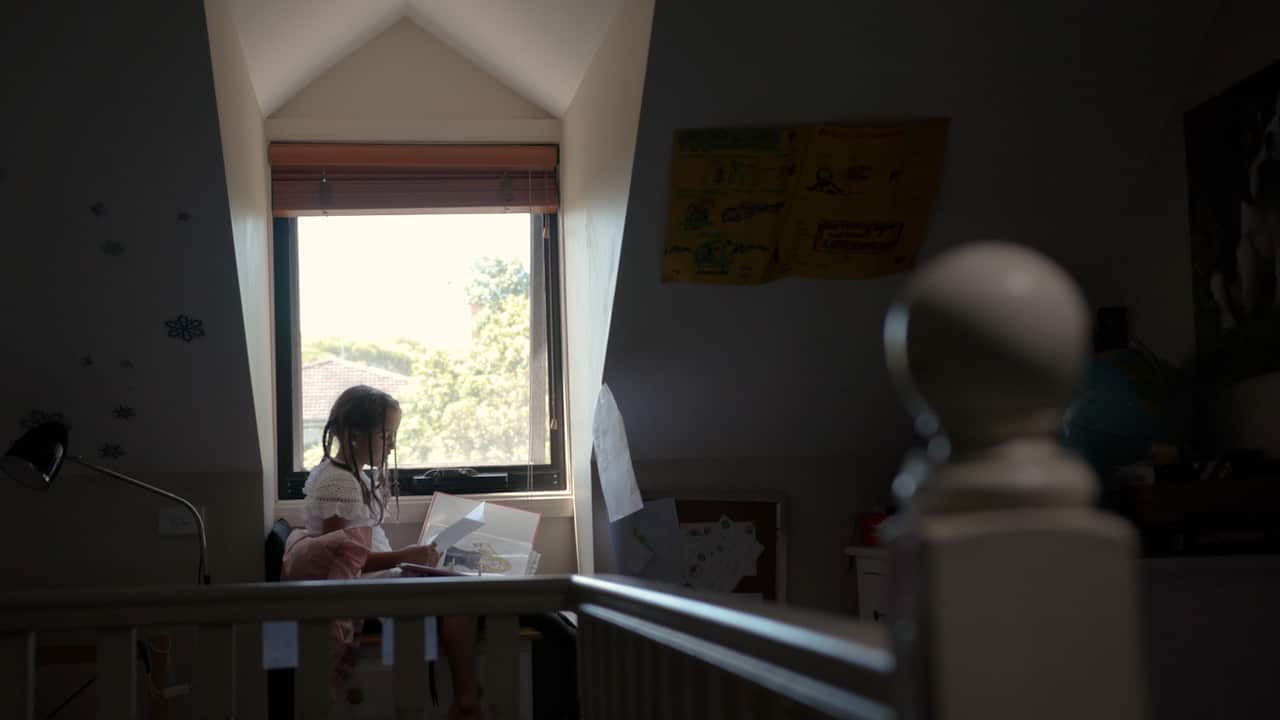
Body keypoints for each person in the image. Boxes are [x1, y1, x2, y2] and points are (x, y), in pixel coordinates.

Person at [304, 385, 481, 719]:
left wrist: (408, 557)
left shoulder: (348, 477)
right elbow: (342, 562)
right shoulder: (338, 483)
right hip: (365, 586)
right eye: (386, 436)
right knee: (463, 594)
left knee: (460, 569)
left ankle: (466, 696)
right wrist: (405, 557)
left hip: (377, 575)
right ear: (355, 435)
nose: (393, 445)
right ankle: (467, 699)